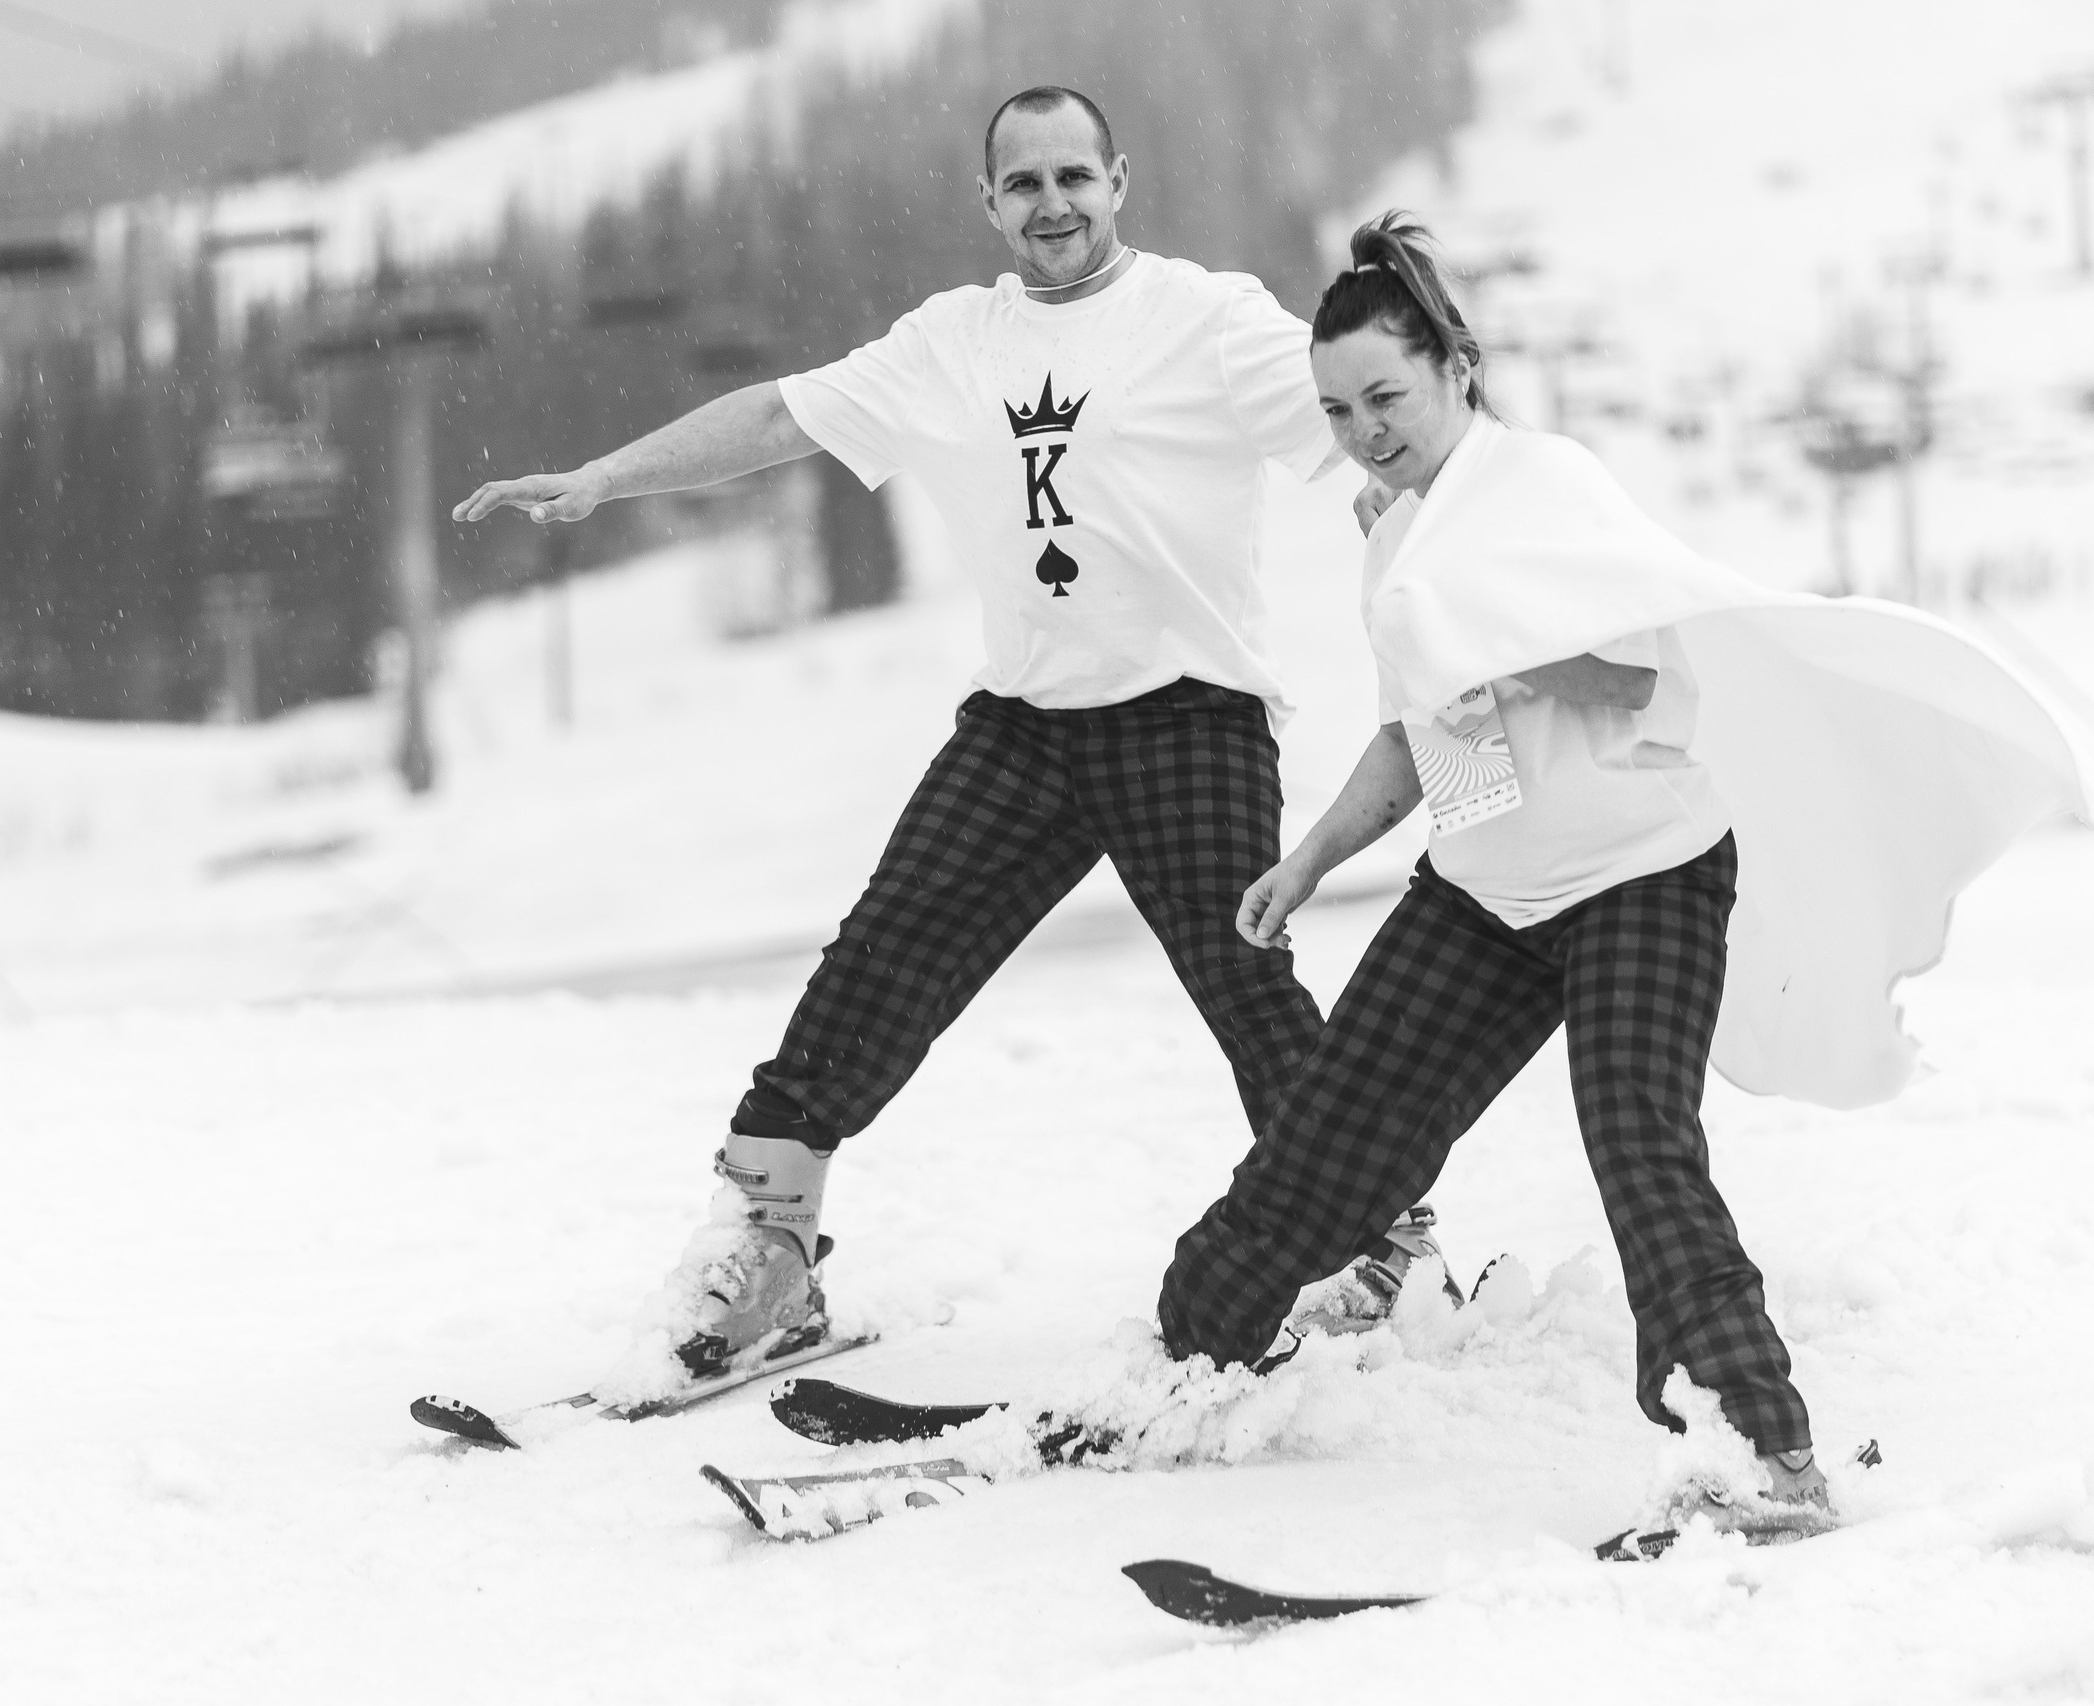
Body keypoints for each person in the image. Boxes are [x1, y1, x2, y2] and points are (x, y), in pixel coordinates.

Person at [455, 89, 1447, 1388]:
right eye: (1024, 183)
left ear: (1120, 180)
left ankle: (1377, 1244)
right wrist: (602, 477)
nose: (1052, 204)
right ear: (991, 204)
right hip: (1027, 724)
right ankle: (769, 1252)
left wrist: (1432, 498)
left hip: (1189, 712)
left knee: (1244, 981)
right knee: (880, 960)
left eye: (1074, 176)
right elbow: (774, 418)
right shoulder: (952, 344)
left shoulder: (1204, 318)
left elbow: (1362, 421)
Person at [1149, 212, 2094, 1529]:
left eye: (1385, 395)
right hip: (1491, 893)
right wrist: (1306, 860)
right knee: (1330, 1147)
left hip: (1647, 871)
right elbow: (1436, 738)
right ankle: (1196, 1352)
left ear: (1453, 372)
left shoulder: (1549, 489)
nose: (1364, 429)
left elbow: (1669, 677)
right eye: (1338, 410)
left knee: (1637, 1139)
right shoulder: (1393, 546)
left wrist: (1528, 650)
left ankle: (1757, 1450)